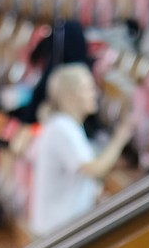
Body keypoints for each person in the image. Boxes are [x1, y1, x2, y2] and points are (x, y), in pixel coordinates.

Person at [29, 63, 133, 237]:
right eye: (88, 89)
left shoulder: (66, 125)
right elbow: (94, 169)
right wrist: (120, 138)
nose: (95, 93)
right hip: (57, 234)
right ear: (70, 96)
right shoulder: (63, 127)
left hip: (58, 230)